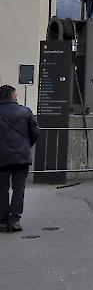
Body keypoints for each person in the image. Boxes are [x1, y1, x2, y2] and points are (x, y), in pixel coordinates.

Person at [0, 85, 39, 233]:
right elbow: (35, 132)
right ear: (13, 96)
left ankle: (2, 221)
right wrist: (26, 145)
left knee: (2, 189)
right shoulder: (26, 111)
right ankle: (15, 219)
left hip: (1, 158)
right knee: (19, 188)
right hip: (21, 157)